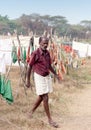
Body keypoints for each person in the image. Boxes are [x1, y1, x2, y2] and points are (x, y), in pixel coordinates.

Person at [26, 36, 59, 128]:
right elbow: (29, 67)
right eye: (44, 43)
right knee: (45, 97)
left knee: (41, 96)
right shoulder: (35, 53)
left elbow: (49, 66)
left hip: (46, 76)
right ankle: (50, 120)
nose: (45, 45)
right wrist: (28, 80)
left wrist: (55, 74)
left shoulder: (47, 53)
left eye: (46, 43)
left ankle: (30, 112)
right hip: (39, 76)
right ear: (39, 43)